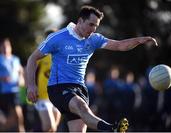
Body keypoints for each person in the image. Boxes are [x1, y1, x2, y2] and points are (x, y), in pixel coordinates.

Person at [26, 5, 158, 132]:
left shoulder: (94, 39)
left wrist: (139, 40)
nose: (93, 29)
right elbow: (33, 58)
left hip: (80, 89)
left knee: (80, 125)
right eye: (91, 24)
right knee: (81, 107)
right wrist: (31, 86)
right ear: (80, 21)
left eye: (96, 26)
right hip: (59, 88)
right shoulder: (58, 38)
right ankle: (112, 128)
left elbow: (119, 45)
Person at [34, 29, 61, 132]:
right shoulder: (41, 53)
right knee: (49, 126)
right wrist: (31, 86)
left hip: (57, 96)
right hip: (42, 96)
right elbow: (29, 68)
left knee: (53, 129)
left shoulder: (62, 54)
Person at [0, 37, 25, 132]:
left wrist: (21, 80)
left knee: (18, 115)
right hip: (2, 92)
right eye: (3, 46)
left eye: (7, 45)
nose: (5, 48)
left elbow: (20, 72)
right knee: (5, 121)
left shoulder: (15, 59)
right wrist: (2, 78)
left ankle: (21, 130)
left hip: (15, 91)